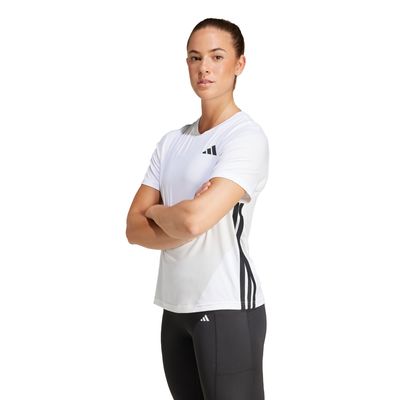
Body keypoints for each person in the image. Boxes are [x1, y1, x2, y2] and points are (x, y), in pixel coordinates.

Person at [126, 17, 269, 400]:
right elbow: (133, 228)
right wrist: (177, 214)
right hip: (175, 308)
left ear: (239, 64)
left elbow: (193, 221)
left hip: (226, 306)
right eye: (195, 57)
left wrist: (160, 211)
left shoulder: (245, 138)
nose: (204, 67)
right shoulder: (171, 142)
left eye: (216, 56)